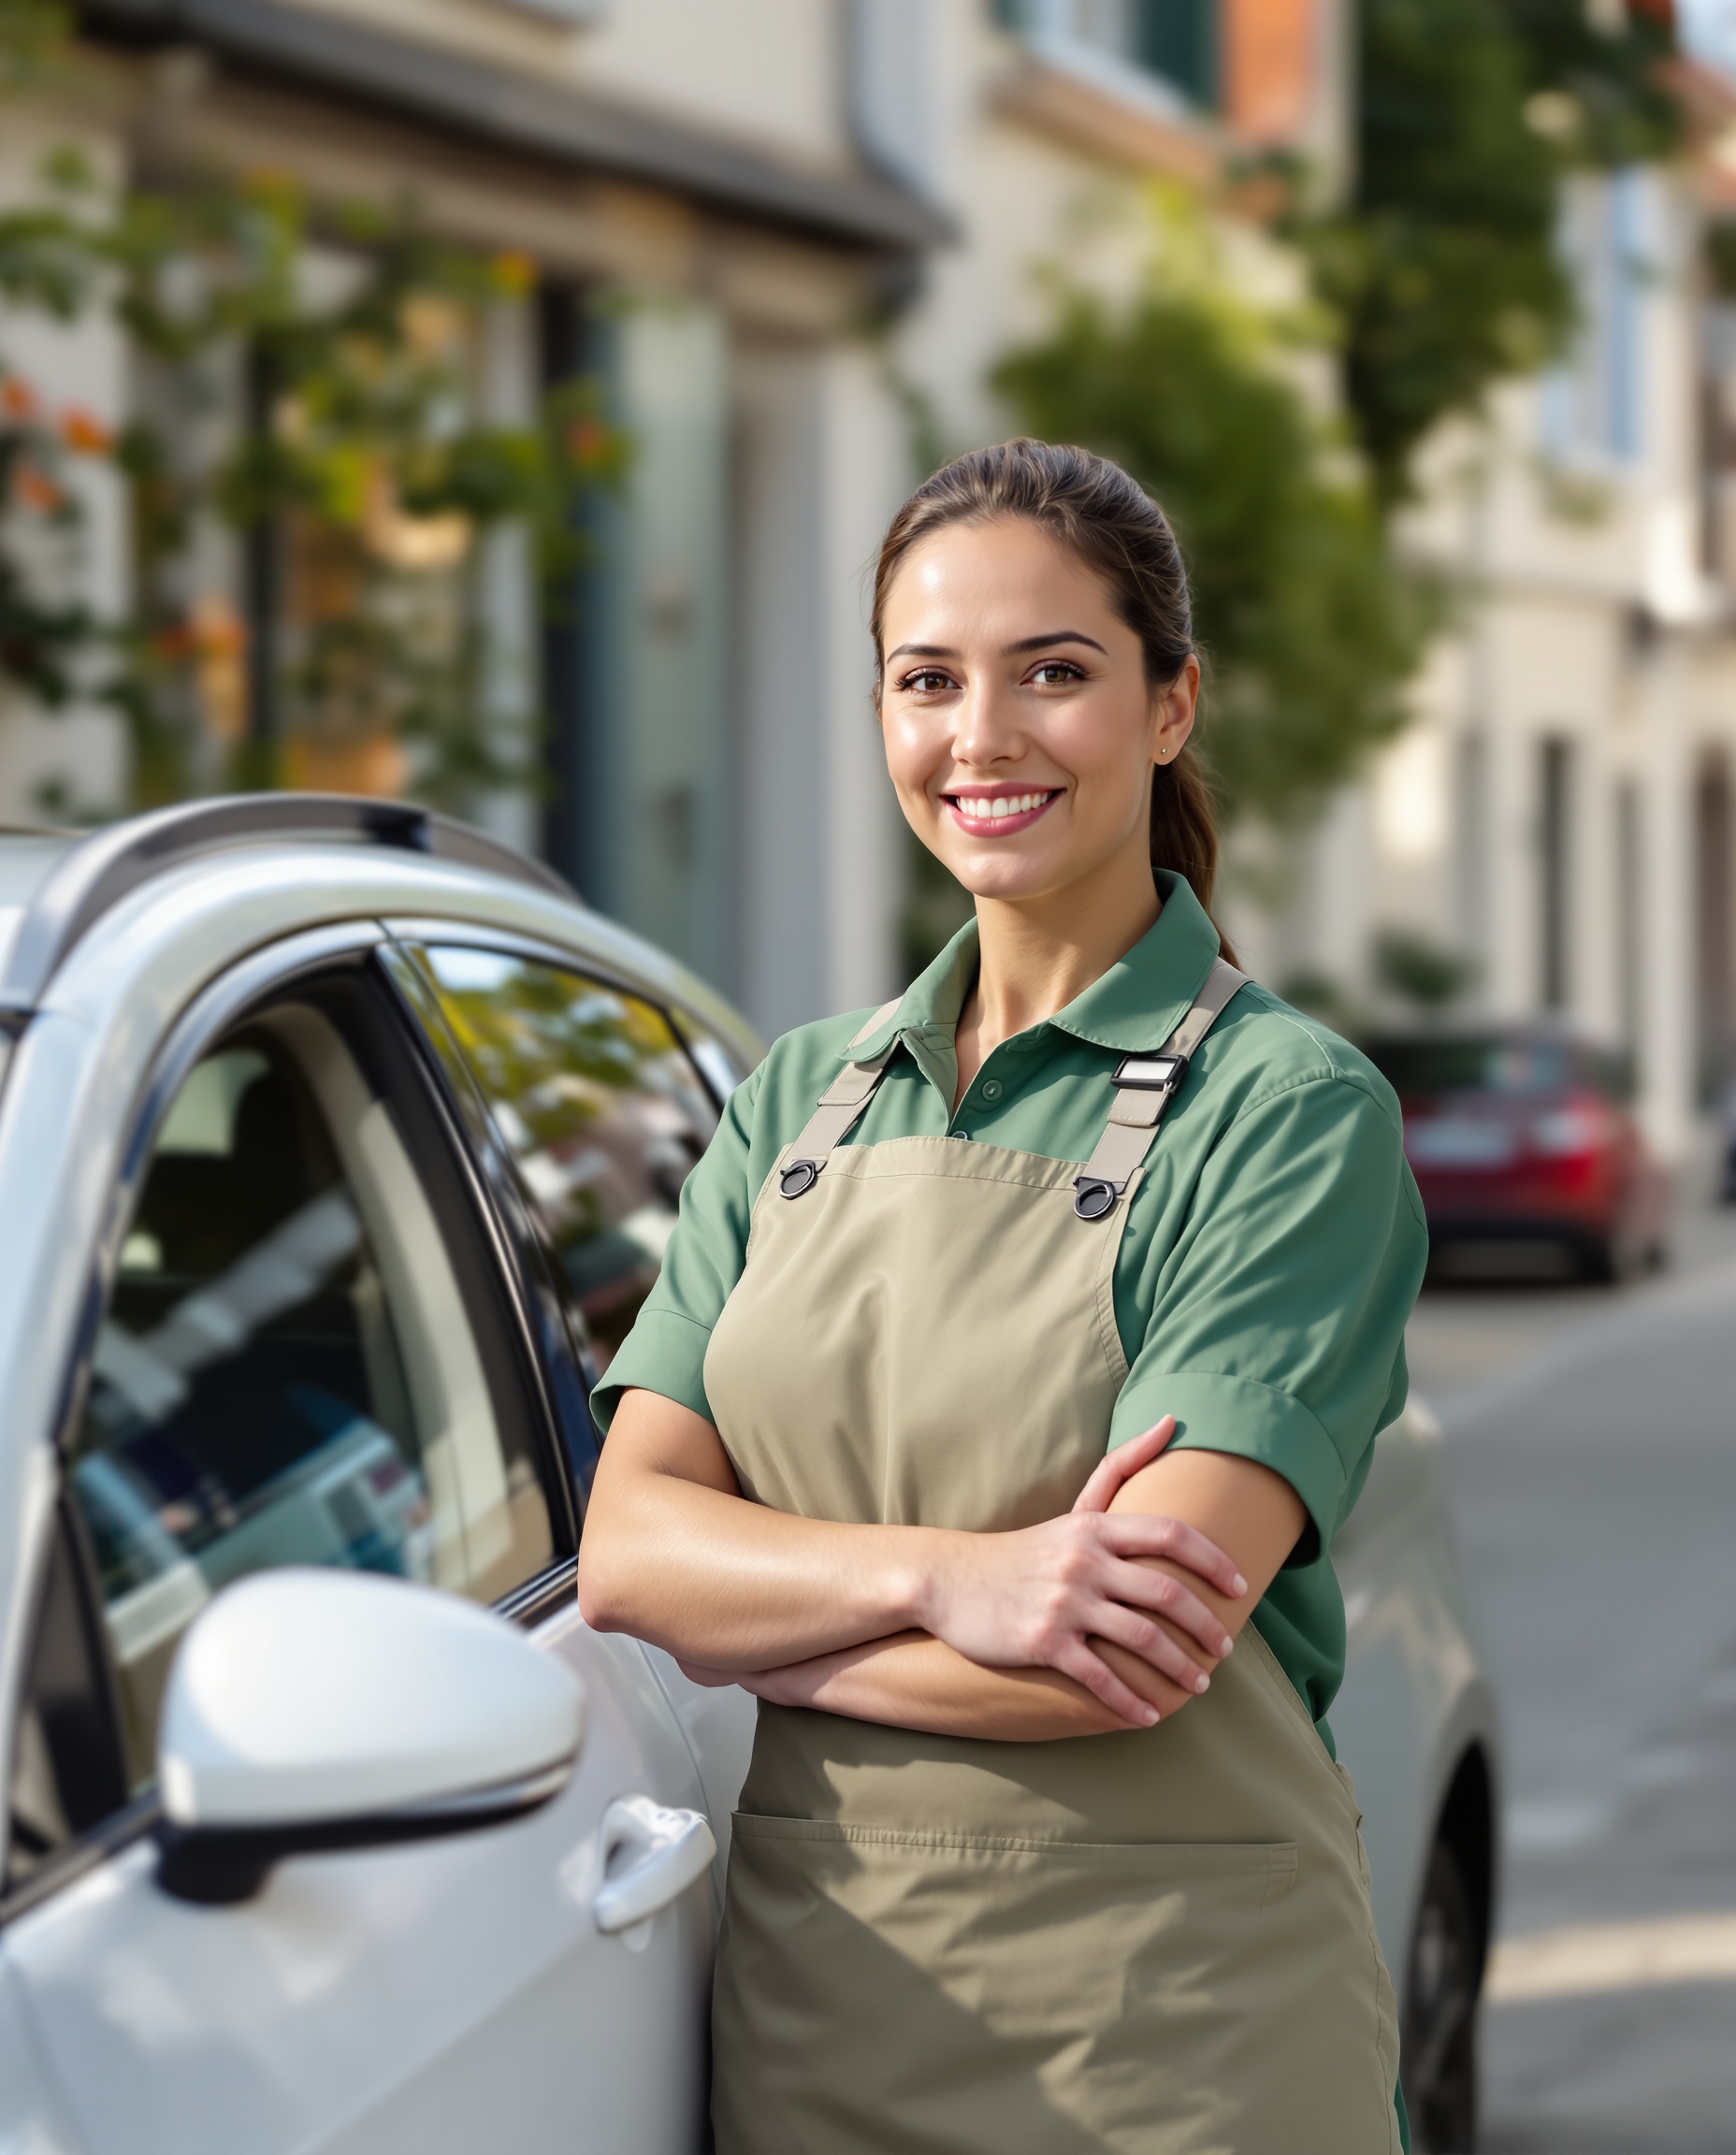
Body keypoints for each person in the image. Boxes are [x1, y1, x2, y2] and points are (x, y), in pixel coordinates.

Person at [579, 439, 1427, 2154]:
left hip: (1183, 2043)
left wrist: (774, 1642)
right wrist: (954, 1580)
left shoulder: (1288, 1112)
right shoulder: (800, 1094)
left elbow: (1117, 1658)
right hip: (821, 2014)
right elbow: (632, 1557)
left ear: (1171, 706)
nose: (984, 736)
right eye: (927, 680)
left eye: (1056, 672)